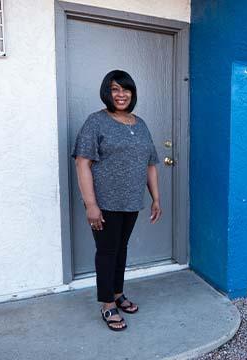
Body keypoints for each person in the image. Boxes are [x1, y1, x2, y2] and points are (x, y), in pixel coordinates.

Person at [72, 70, 162, 331]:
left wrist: (156, 197)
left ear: (132, 93)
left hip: (132, 201)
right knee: (107, 252)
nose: (121, 94)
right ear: (107, 93)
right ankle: (106, 304)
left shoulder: (140, 124)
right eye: (115, 89)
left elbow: (150, 164)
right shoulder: (96, 122)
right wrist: (91, 204)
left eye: (126, 89)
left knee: (121, 249)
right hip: (105, 204)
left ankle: (117, 293)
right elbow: (82, 163)